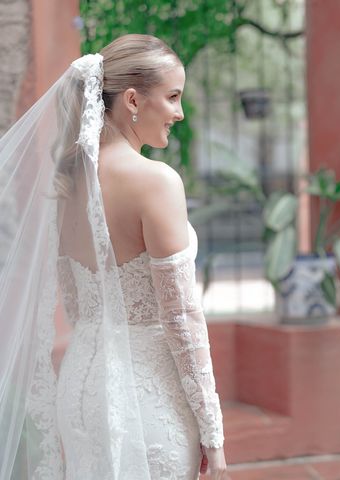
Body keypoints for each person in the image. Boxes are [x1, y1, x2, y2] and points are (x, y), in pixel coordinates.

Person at [0, 35, 226, 479]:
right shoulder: (156, 182)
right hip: (145, 394)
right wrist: (213, 436)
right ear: (133, 100)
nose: (180, 113)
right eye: (173, 96)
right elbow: (181, 318)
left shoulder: (66, 185)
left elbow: (77, 301)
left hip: (81, 389)